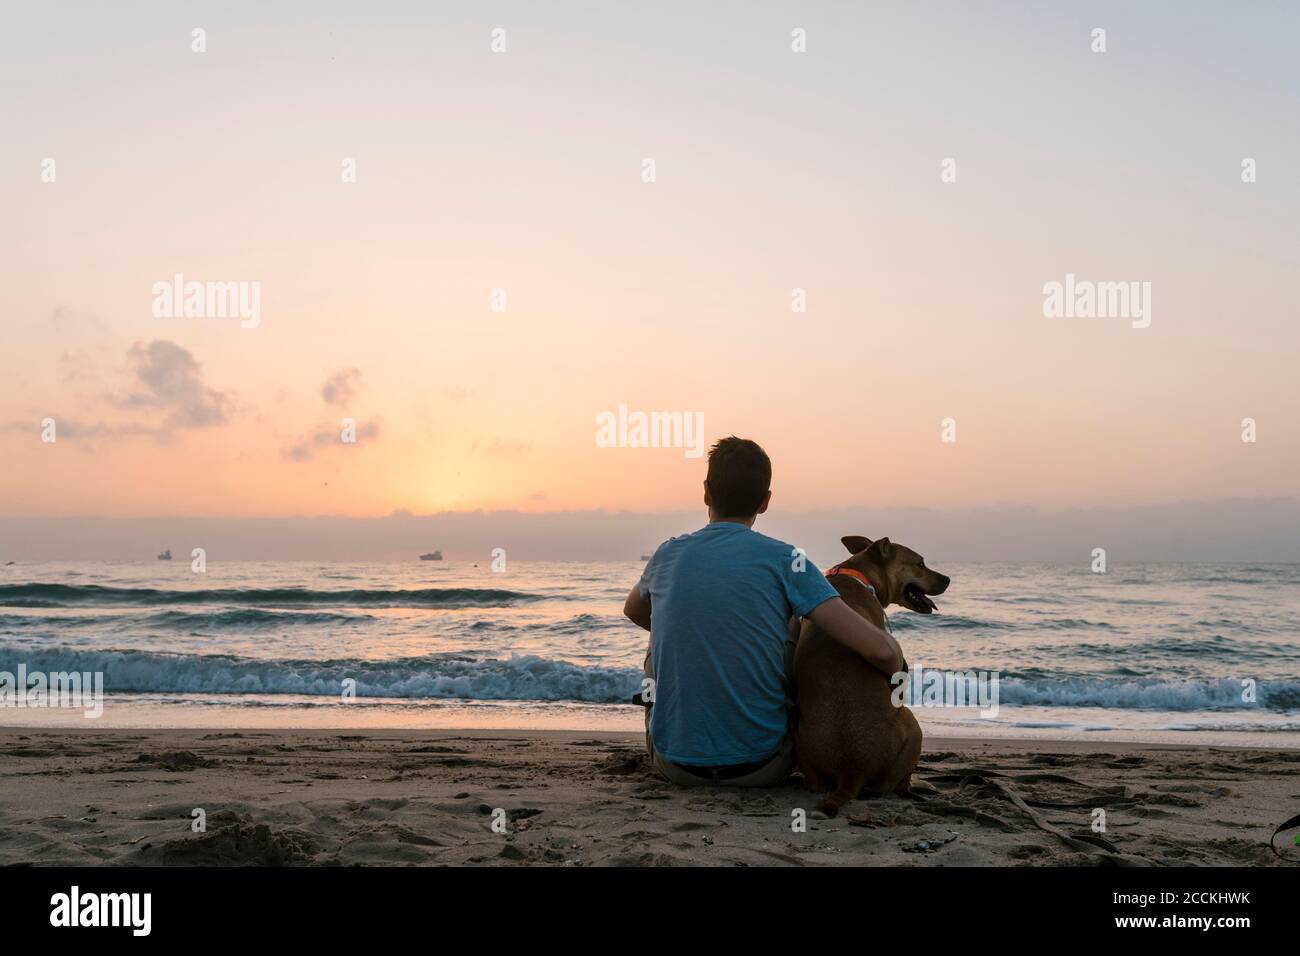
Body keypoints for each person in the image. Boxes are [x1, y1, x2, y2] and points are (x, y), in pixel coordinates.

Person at [623, 435, 903, 786]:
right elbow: (878, 650)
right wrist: (895, 661)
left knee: (656, 641)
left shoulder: (667, 554)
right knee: (792, 626)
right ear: (766, 502)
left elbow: (633, 611)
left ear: (707, 492)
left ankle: (684, 731)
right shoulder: (787, 560)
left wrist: (703, 632)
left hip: (675, 766)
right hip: (764, 767)